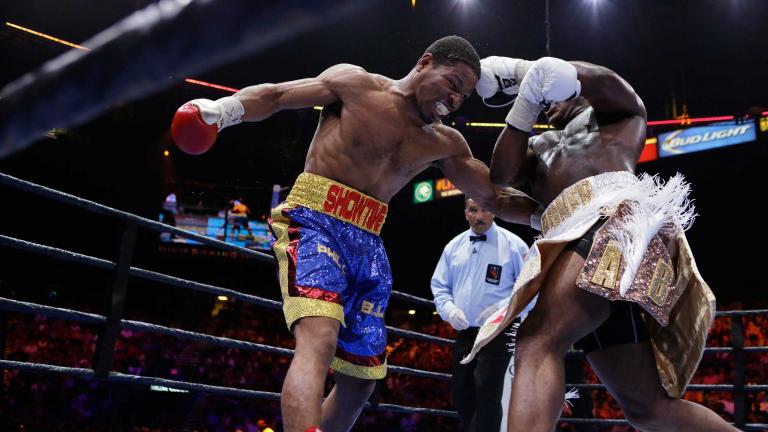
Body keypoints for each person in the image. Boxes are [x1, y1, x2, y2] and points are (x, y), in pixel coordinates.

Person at [171, 36, 538, 432]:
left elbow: (493, 197)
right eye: (452, 83)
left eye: (463, 96)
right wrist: (224, 110)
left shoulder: (445, 142)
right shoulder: (356, 85)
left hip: (369, 242)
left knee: (361, 380)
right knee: (319, 339)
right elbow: (277, 96)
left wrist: (553, 215)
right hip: (315, 221)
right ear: (425, 61)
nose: (454, 99)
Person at [464, 55, 738, 431]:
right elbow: (502, 176)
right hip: (574, 238)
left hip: (614, 222)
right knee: (647, 408)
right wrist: (524, 103)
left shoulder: (618, 117)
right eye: (541, 99)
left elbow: (606, 82)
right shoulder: (542, 144)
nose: (548, 101)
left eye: (550, 92)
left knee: (538, 341)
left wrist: (532, 70)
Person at [430, 197, 531, 432]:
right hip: (466, 333)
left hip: (500, 331)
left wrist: (503, 308)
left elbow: (530, 290)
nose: (479, 216)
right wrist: (449, 310)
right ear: (466, 212)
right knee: (462, 393)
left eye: (485, 209)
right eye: (473, 210)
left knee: (488, 390)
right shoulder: (453, 247)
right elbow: (440, 287)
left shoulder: (514, 245)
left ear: (494, 211)